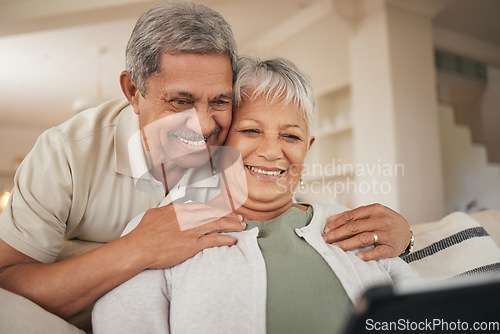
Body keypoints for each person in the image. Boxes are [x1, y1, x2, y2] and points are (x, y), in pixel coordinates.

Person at [0, 1, 412, 332]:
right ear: (133, 91)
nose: (203, 126)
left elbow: (286, 193)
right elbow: (6, 280)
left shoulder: (228, 145)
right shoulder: (65, 154)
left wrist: (400, 235)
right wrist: (138, 249)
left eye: (219, 101)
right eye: (180, 101)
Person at [92, 56, 419, 334]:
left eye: (291, 136)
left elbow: (429, 314)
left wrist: (408, 238)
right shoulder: (161, 229)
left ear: (308, 148)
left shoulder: (353, 224)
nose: (271, 151)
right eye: (251, 130)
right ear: (218, 140)